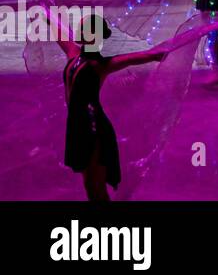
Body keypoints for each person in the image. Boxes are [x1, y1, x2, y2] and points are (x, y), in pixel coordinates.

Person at [58, 14, 166, 201]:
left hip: (93, 128)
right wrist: (46, 12)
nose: (77, 31)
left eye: (82, 28)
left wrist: (166, 51)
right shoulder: (74, 54)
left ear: (93, 35)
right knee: (90, 187)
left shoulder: (100, 64)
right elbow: (58, 32)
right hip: (78, 126)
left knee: (96, 188)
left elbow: (140, 57)